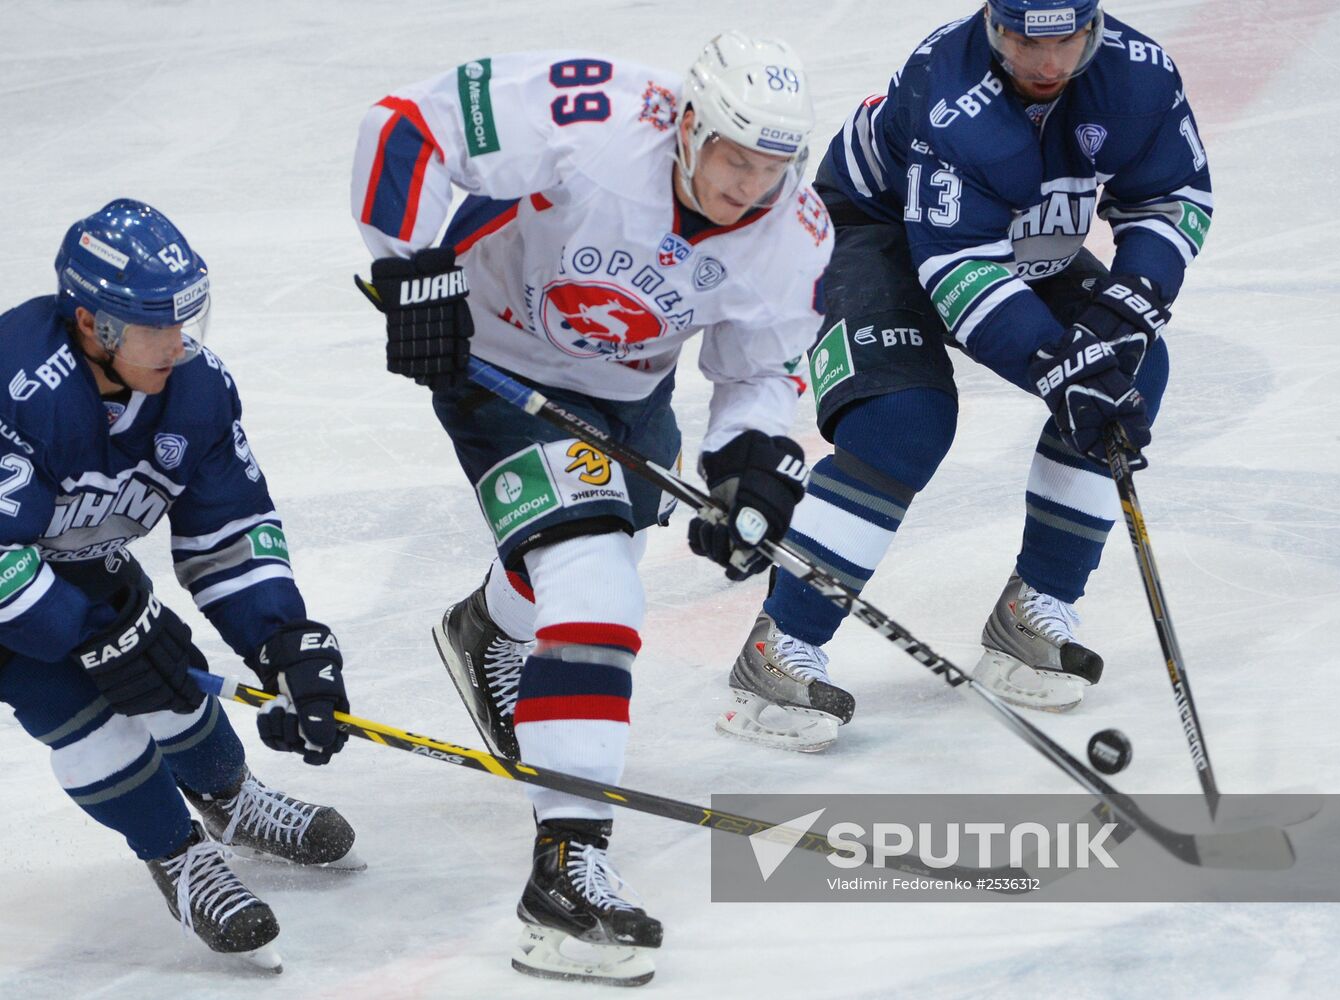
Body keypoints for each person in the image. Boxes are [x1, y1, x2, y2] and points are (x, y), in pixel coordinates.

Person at [352, 33, 830, 985]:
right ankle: (565, 868)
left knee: (581, 565)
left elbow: (760, 369)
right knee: (597, 586)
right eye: (735, 158)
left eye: (772, 168)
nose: (748, 187)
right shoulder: (595, 115)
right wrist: (410, 266)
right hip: (493, 362)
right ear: (689, 127)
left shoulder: (796, 232)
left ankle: (487, 625)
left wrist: (754, 463)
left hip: (626, 397)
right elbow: (404, 127)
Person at [719, 0, 1212, 750]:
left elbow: (1173, 200)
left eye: (1066, 40)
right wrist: (1056, 365)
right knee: (902, 418)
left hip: (1013, 239)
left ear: (1095, 26)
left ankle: (1030, 613)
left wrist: (1127, 304)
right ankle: (778, 645)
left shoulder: (1139, 77)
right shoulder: (947, 93)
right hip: (868, 231)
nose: (1045, 64)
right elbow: (955, 268)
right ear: (991, 23)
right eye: (1021, 39)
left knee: (1127, 371)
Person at [0, 200, 361, 971]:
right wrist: (89, 638)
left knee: (164, 671)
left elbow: (227, 526)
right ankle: (176, 854)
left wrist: (281, 639)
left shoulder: (196, 390)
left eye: (184, 317)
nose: (179, 341)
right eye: (154, 325)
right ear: (95, 326)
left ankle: (230, 800)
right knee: (88, 711)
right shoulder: (17, 383)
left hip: (78, 562)